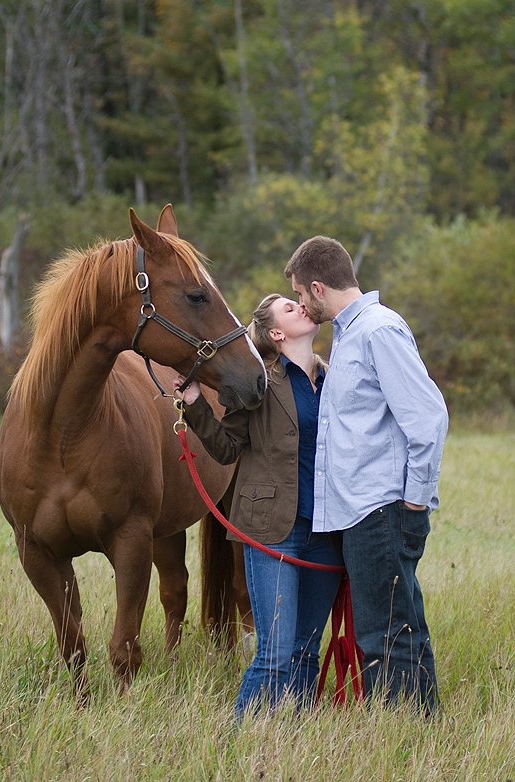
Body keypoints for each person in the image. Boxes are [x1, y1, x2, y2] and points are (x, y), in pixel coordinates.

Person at [284, 235, 448, 714]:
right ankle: (419, 730)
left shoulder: (378, 330)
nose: (299, 305)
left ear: (318, 288)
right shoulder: (350, 335)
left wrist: (414, 503)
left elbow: (428, 418)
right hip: (361, 513)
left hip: (382, 510)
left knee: (385, 635)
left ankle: (401, 736)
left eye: (298, 295)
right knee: (394, 627)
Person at [173, 293, 343, 719]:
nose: (301, 306)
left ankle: (296, 741)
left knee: (306, 651)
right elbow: (228, 448)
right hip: (273, 528)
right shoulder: (259, 381)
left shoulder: (335, 378)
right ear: (276, 334)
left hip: (326, 529)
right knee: (275, 652)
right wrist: (193, 403)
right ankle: (239, 741)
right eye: (289, 307)